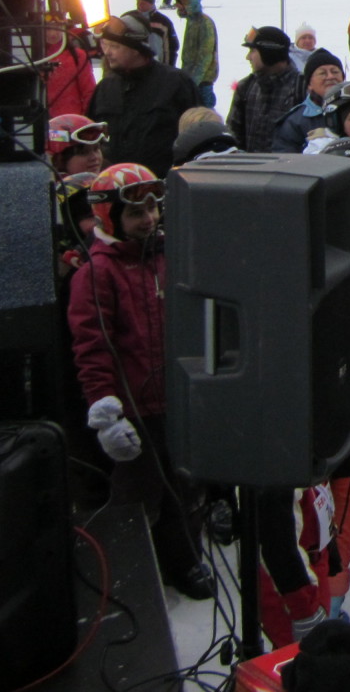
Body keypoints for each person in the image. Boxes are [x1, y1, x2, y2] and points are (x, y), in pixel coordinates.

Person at [69, 163, 214, 599]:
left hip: (179, 401)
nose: (149, 218)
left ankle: (183, 563)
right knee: (137, 498)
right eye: (136, 213)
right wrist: (106, 412)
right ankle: (121, 575)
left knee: (187, 490)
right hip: (134, 411)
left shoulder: (171, 255)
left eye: (153, 208)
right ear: (110, 217)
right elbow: (92, 347)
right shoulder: (96, 273)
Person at [88, 16, 199, 177]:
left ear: (136, 49)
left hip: (162, 186)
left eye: (115, 46)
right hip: (114, 186)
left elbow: (197, 136)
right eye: (106, 45)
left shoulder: (176, 83)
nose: (108, 53)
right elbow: (91, 138)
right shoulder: (106, 87)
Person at [228, 27, 302, 153]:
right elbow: (233, 136)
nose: (248, 57)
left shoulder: (301, 87)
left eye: (252, 51)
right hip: (250, 170)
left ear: (268, 53)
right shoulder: (246, 87)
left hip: (288, 169)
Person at [174, 0, 218, 109]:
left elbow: (205, 56)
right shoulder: (192, 21)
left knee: (205, 114)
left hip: (202, 81)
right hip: (191, 78)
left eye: (179, 3)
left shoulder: (205, 22)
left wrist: (193, 80)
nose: (176, 6)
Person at [134, 0, 179, 68]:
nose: (139, 5)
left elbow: (171, 47)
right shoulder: (130, 18)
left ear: (151, 3)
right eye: (138, 2)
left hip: (157, 67)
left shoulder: (163, 22)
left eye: (143, 3)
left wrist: (168, 69)